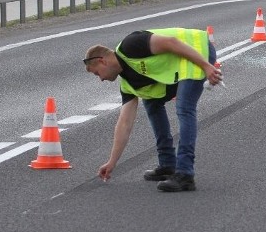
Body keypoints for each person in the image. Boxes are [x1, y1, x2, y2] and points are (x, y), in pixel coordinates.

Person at [84, 28, 222, 192]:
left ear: (102, 61)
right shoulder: (128, 84)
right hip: (178, 64)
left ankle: (185, 174)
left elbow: (172, 42)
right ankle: (167, 164)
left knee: (184, 107)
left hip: (197, 50)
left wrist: (207, 66)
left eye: (97, 73)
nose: (100, 79)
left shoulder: (130, 45)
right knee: (151, 102)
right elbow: (124, 124)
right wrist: (112, 162)